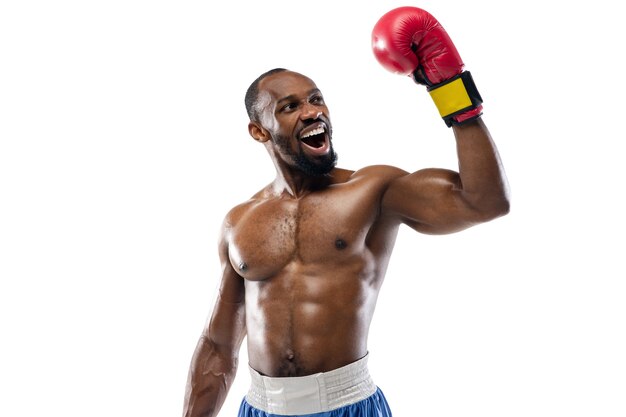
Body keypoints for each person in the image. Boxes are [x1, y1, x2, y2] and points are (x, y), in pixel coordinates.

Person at [182, 6, 510, 417]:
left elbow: (485, 202)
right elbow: (218, 346)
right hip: (259, 408)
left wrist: (450, 89)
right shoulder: (241, 221)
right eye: (289, 107)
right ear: (259, 130)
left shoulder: (372, 190)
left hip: (348, 404)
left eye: (316, 99)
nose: (312, 111)